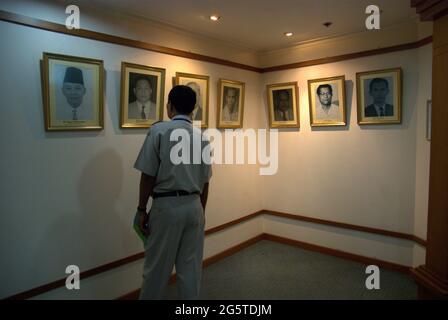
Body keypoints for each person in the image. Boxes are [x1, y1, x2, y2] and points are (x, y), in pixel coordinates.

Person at [133, 85, 212, 300]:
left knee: (156, 272)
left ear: (170, 106)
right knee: (191, 271)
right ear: (193, 108)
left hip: (167, 208)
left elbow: (148, 175)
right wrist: (200, 212)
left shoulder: (159, 131)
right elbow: (206, 182)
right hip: (194, 206)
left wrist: (141, 209)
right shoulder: (203, 138)